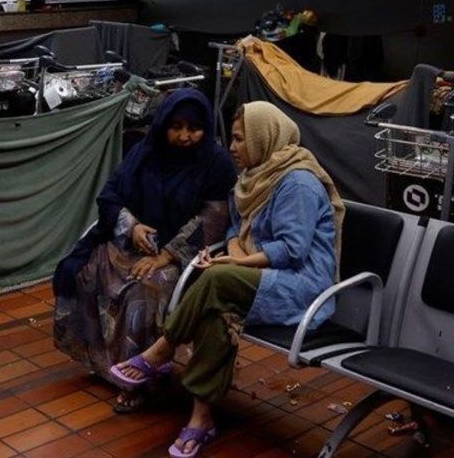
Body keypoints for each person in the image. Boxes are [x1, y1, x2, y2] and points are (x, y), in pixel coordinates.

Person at [109, 101, 345, 457]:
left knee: (216, 282)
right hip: (259, 275)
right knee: (217, 309)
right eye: (232, 139)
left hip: (301, 286)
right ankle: (201, 419)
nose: (232, 147)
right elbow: (236, 228)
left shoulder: (298, 182)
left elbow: (293, 249)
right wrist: (229, 253)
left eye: (239, 139)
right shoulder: (252, 177)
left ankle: (163, 349)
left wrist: (237, 263)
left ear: (264, 137)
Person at [53, 88, 237, 413]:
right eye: (176, 127)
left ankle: (138, 381)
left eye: (194, 128)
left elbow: (213, 219)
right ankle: (104, 363)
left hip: (185, 256)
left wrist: (166, 255)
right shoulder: (145, 152)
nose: (184, 136)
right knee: (84, 270)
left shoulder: (216, 163)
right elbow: (110, 195)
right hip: (133, 242)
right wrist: (133, 227)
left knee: (145, 291)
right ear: (163, 125)